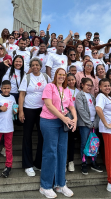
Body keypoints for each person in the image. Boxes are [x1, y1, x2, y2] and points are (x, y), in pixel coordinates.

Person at [39, 68, 77, 198]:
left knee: (62, 152)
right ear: (55, 75)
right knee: (50, 152)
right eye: (59, 74)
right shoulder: (50, 86)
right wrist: (64, 117)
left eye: (63, 74)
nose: (61, 76)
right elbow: (48, 105)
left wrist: (75, 119)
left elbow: (71, 106)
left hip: (63, 123)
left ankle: (60, 184)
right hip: (49, 121)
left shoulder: (66, 90)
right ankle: (45, 186)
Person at [18, 58, 52, 177]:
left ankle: (39, 163)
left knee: (42, 136)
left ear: (41, 66)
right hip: (28, 109)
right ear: (30, 67)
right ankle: (28, 165)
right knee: (27, 136)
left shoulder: (46, 77)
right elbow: (22, 95)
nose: (35, 67)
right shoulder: (27, 78)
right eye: (33, 65)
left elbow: (51, 92)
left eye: (37, 65)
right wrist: (21, 111)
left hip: (43, 110)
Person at [75, 77, 102, 175]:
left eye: (91, 85)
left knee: (93, 143)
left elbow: (97, 110)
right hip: (84, 124)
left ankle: (93, 162)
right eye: (88, 85)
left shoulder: (92, 96)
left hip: (93, 124)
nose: (89, 87)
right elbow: (81, 110)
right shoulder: (79, 95)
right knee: (84, 143)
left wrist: (95, 122)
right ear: (82, 85)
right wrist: (89, 123)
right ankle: (84, 163)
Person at [65, 73, 79, 172]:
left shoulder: (79, 91)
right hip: (65, 118)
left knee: (71, 142)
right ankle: (64, 162)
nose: (71, 82)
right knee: (64, 141)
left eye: (72, 80)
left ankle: (71, 161)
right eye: (69, 80)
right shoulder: (64, 90)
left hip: (75, 118)